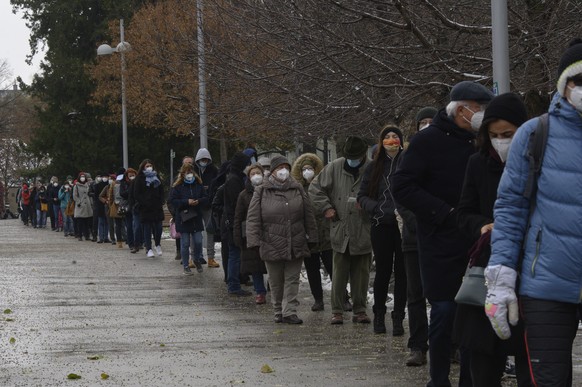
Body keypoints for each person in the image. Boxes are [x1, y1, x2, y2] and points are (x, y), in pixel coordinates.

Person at [485, 38, 582, 387]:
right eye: (580, 80)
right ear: (563, 85)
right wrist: (500, 280)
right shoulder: (535, 133)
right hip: (545, 286)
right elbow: (510, 209)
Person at [391, 80, 494, 387]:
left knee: (472, 314)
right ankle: (438, 379)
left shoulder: (483, 142)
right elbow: (403, 186)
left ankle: (468, 380)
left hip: (475, 239)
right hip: (439, 240)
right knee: (445, 312)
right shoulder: (428, 141)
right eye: (478, 109)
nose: (481, 115)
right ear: (460, 109)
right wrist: (442, 213)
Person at [454, 93, 532, 387]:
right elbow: (464, 212)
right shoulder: (477, 164)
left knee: (530, 357)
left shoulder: (538, 164)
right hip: (486, 270)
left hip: (528, 270)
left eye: (508, 135)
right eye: (495, 135)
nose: (501, 141)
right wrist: (482, 225)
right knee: (483, 362)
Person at [309, 136, 372, 325]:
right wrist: (326, 208)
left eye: (356, 156)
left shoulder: (372, 167)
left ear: (363, 154)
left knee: (361, 273)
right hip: (340, 227)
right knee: (339, 273)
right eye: (349, 156)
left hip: (363, 228)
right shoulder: (335, 166)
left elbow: (382, 193)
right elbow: (315, 188)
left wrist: (368, 205)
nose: (352, 160)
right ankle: (337, 310)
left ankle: (360, 310)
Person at [247, 155, 318, 324]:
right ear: (272, 171)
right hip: (271, 242)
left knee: (292, 279)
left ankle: (290, 311)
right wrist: (254, 241)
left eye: (286, 167)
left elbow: (308, 214)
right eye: (279, 168)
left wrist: (312, 236)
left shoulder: (297, 188)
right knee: (276, 280)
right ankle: (278, 310)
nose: (283, 171)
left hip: (296, 241)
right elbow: (253, 218)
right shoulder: (262, 190)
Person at [396, 107, 437, 366]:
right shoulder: (408, 157)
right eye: (422, 122)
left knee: (445, 293)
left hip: (441, 235)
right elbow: (401, 193)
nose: (427, 126)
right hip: (414, 237)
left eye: (431, 121)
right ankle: (418, 345)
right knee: (415, 294)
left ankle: (450, 343)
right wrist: (416, 220)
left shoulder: (447, 154)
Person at [358, 126, 406, 335]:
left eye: (395, 136)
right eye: (387, 137)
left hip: (404, 225)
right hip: (381, 224)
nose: (391, 140)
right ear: (381, 141)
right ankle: (379, 314)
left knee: (403, 273)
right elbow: (362, 196)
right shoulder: (373, 166)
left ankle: (398, 317)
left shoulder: (408, 162)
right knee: (383, 272)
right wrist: (376, 208)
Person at [291, 153, 333, 312]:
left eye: (310, 168)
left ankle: (342, 297)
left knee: (333, 267)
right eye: (304, 169)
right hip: (308, 235)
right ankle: (318, 299)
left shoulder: (324, 185)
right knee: (312, 269)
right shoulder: (298, 188)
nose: (307, 171)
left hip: (326, 232)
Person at [233, 163, 268, 304]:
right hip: (251, 233)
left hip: (269, 232)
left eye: (257, 173)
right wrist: (238, 236)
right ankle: (260, 292)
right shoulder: (243, 195)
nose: (255, 176)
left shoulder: (270, 190)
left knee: (272, 264)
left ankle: (275, 288)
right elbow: (238, 216)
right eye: (252, 174)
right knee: (255, 266)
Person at [223, 152, 253, 296]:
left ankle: (235, 282)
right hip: (234, 222)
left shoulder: (234, 178)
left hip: (232, 221)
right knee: (234, 254)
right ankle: (233, 285)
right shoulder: (234, 180)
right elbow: (237, 204)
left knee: (234, 254)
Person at [170, 164, 208, 275]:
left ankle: (196, 258)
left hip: (196, 217)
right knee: (185, 243)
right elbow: (173, 201)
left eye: (190, 171)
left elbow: (206, 198)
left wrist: (198, 201)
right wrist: (186, 202)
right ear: (183, 174)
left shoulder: (198, 185)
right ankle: (186, 265)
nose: (189, 174)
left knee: (198, 241)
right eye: (187, 172)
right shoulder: (178, 186)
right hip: (183, 218)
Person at [133, 159, 165, 258]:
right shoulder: (140, 178)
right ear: (143, 167)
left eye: (150, 165)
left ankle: (158, 244)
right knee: (147, 228)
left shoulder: (157, 177)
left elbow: (161, 190)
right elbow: (137, 193)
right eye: (147, 166)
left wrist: (161, 201)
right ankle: (148, 248)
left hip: (157, 207)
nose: (149, 167)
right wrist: (144, 203)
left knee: (159, 227)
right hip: (145, 207)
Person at [194, 148, 220, 268]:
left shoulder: (214, 170)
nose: (204, 161)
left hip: (208, 205)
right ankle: (194, 257)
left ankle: (211, 257)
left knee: (210, 231)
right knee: (194, 232)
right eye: (202, 159)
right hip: (195, 205)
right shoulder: (193, 170)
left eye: (206, 159)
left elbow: (216, 187)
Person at [120, 168, 137, 251]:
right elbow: (122, 193)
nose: (131, 176)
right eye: (130, 175)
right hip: (127, 206)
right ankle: (131, 243)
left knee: (136, 226)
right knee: (129, 226)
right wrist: (130, 190)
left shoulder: (138, 182)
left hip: (136, 205)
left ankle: (138, 242)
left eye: (133, 175)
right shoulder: (123, 183)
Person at [73, 172, 93, 241]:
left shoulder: (87, 185)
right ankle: (80, 235)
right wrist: (79, 202)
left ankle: (87, 235)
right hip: (80, 205)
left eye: (83, 177)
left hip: (87, 205)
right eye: (81, 177)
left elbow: (89, 194)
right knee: (80, 222)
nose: (82, 178)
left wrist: (91, 203)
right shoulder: (76, 186)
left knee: (86, 222)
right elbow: (75, 196)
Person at [94, 174, 110, 243]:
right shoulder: (97, 185)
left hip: (108, 205)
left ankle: (106, 237)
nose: (104, 178)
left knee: (106, 222)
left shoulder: (109, 185)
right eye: (103, 177)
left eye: (106, 177)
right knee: (101, 222)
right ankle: (101, 237)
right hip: (100, 205)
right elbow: (96, 196)